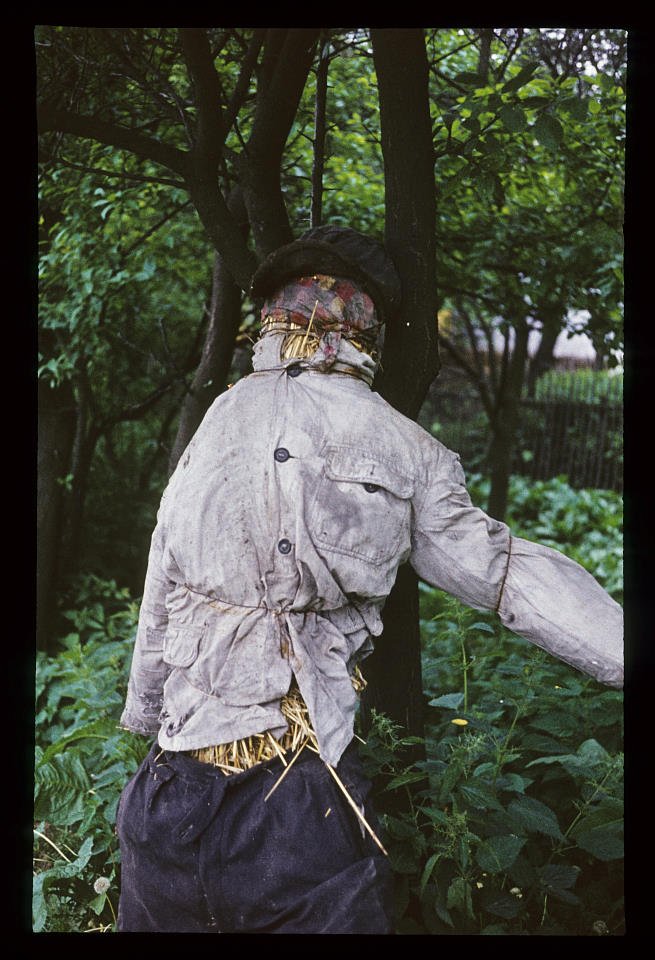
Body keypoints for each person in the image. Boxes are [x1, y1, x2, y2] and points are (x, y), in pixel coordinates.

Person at [116, 226, 623, 934]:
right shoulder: (402, 446)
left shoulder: (219, 418)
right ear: (368, 331)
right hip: (299, 794)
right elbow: (505, 574)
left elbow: (160, 583)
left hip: (168, 789)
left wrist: (145, 715)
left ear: (271, 319)